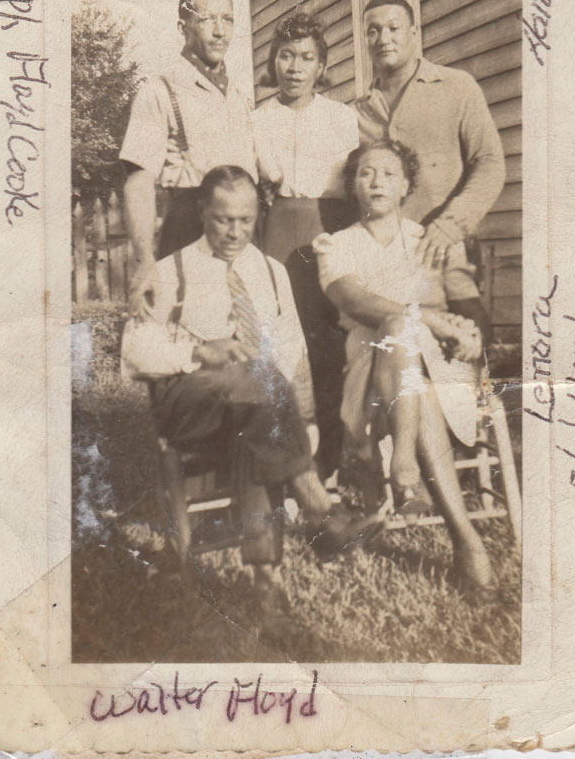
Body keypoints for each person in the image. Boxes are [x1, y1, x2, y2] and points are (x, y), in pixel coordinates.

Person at [122, 164, 382, 577]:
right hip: (188, 408)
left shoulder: (273, 273)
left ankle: (265, 581)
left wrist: (306, 420)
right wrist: (197, 352)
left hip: (257, 406)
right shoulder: (171, 272)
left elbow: (292, 352)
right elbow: (133, 354)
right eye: (224, 220)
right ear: (203, 211)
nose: (235, 232)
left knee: (261, 406)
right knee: (257, 387)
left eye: (246, 220)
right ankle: (319, 509)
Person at [313, 140, 492, 592]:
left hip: (441, 365)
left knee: (417, 369)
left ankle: (405, 462)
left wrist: (473, 335)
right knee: (396, 325)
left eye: (388, 174)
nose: (376, 181)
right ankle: (466, 542)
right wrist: (427, 317)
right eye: (366, 173)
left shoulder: (428, 241)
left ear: (407, 185)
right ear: (353, 186)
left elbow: (467, 303)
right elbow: (352, 299)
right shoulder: (336, 245)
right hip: (371, 373)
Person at [356, 0, 506, 340]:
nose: (383, 39)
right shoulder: (360, 111)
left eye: (394, 28)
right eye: (373, 31)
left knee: (469, 339)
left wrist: (450, 225)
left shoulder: (456, 87)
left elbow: (490, 163)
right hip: (387, 260)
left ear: (414, 31)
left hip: (446, 250)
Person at [252, 13, 359, 479]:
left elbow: (351, 186)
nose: (295, 67)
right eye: (286, 56)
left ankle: (333, 454)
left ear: (322, 65)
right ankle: (288, 455)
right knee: (279, 340)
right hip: (277, 227)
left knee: (328, 340)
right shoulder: (256, 119)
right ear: (273, 62)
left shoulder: (341, 117)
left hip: (329, 227)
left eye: (307, 58)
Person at [120, 0, 257, 316]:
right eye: (207, 19)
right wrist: (144, 260)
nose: (220, 30)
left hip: (243, 233)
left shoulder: (240, 97)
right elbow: (138, 181)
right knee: (188, 337)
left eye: (228, 20)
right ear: (184, 28)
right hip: (188, 230)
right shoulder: (160, 90)